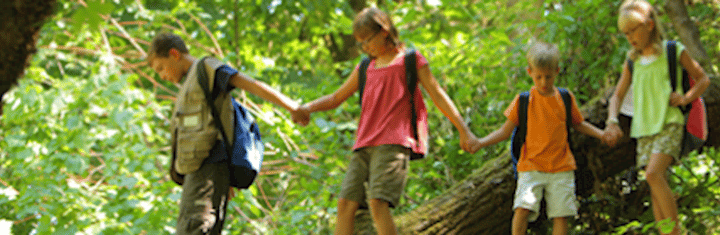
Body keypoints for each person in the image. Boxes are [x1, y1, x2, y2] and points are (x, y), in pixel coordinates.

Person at [291, 7, 477, 235]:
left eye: (367, 40)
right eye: (360, 43)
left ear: (385, 31)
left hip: (394, 141)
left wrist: (463, 129)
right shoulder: (365, 67)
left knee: (377, 202)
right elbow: (336, 97)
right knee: (345, 204)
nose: (365, 47)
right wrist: (308, 108)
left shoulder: (410, 60)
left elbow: (438, 95)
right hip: (364, 144)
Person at [147, 32, 303, 235]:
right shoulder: (188, 86)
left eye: (161, 68)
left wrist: (292, 106)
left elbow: (249, 83)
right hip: (196, 173)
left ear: (174, 54)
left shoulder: (206, 68)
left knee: (196, 228)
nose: (162, 76)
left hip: (209, 170)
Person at [470, 41, 605, 235]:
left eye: (548, 77)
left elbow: (578, 124)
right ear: (529, 72)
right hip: (531, 166)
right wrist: (480, 142)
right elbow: (504, 131)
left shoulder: (565, 98)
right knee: (522, 208)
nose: (543, 82)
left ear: (557, 71)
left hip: (561, 166)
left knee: (560, 214)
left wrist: (601, 134)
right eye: (538, 77)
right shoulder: (524, 101)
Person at [605, 1, 710, 234]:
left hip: (670, 122)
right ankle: (665, 232)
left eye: (634, 30)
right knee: (654, 183)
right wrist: (612, 120)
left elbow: (703, 79)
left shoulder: (673, 50)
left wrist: (685, 98)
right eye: (626, 33)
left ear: (650, 25)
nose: (630, 37)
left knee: (653, 173)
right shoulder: (632, 61)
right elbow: (617, 96)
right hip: (644, 130)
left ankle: (674, 232)